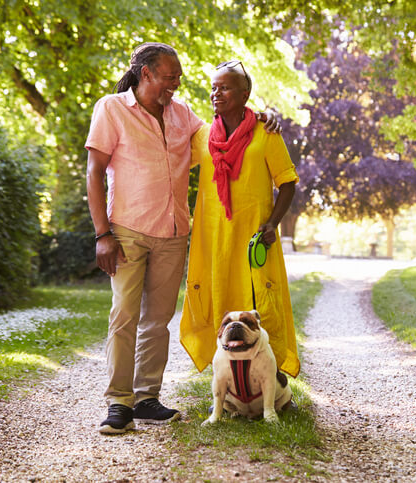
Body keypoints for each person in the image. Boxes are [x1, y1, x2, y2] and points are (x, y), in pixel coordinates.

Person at [85, 44, 280, 434]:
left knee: (157, 321)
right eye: (169, 76)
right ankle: (118, 403)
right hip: (126, 230)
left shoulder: (182, 116)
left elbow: (226, 130)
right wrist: (102, 233)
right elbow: (94, 170)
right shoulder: (112, 109)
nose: (176, 83)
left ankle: (145, 398)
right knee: (124, 316)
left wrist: (262, 115)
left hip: (173, 232)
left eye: (178, 77)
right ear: (146, 74)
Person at [179, 60, 300, 382]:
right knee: (217, 300)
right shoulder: (202, 136)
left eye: (225, 87)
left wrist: (273, 223)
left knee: (261, 300)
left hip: (254, 238)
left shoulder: (266, 133)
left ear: (245, 94)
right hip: (213, 238)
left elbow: (286, 182)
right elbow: (168, 155)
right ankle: (227, 379)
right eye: (214, 87)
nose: (216, 93)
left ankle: (270, 377)